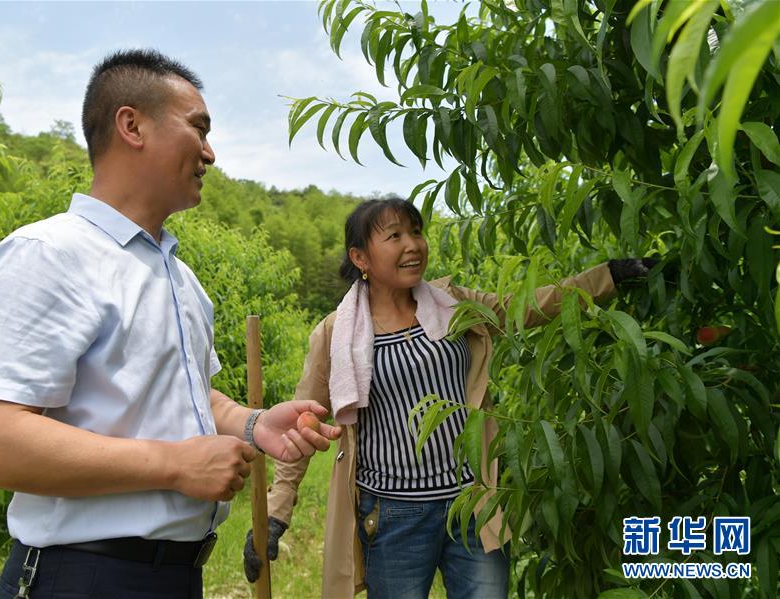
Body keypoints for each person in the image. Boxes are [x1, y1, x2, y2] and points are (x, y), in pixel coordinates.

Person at [0, 49, 341, 599]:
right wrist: (174, 465)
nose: (210, 151)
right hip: (81, 575)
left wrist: (254, 424)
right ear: (131, 124)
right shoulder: (49, 254)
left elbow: (187, 398)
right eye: (198, 128)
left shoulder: (181, 279)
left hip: (177, 576)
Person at [243, 198, 653, 598]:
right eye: (395, 236)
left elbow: (522, 309)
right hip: (393, 515)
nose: (412, 245)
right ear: (360, 257)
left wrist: (607, 276)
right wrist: (276, 514)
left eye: (417, 232)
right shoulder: (337, 333)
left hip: (473, 502)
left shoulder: (451, 304)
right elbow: (304, 423)